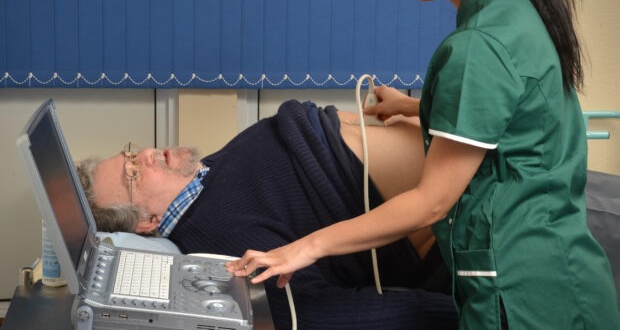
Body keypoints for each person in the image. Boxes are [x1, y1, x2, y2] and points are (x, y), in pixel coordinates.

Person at [227, 0, 620, 329]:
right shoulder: (516, 5)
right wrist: (416, 107)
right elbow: (517, 111)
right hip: (563, 274)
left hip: (525, 295)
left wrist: (303, 248)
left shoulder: (479, 47)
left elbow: (431, 203)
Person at [77, 100, 458, 329]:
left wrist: (414, 109)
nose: (143, 155)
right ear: (147, 222)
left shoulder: (205, 176)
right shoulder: (218, 243)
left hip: (451, 141)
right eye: (133, 175)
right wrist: (468, 316)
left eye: (129, 154)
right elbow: (311, 317)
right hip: (464, 195)